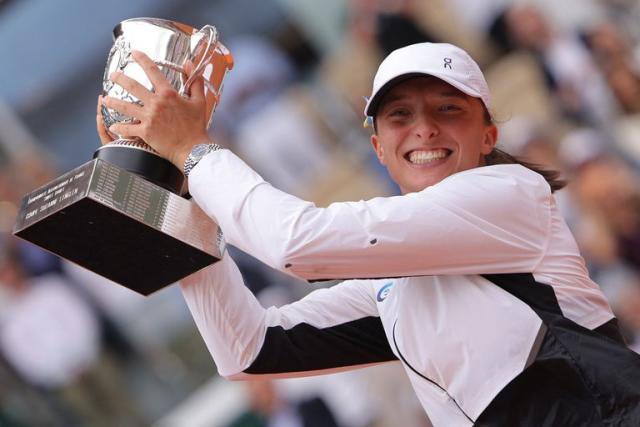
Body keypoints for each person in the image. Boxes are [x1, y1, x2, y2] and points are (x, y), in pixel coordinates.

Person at [98, 42, 640, 426]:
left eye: (448, 109)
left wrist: (193, 151)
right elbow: (248, 350)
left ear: (487, 135)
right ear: (379, 149)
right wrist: (184, 199)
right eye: (399, 114)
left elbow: (296, 243)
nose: (424, 127)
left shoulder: (509, 191)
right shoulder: (396, 288)